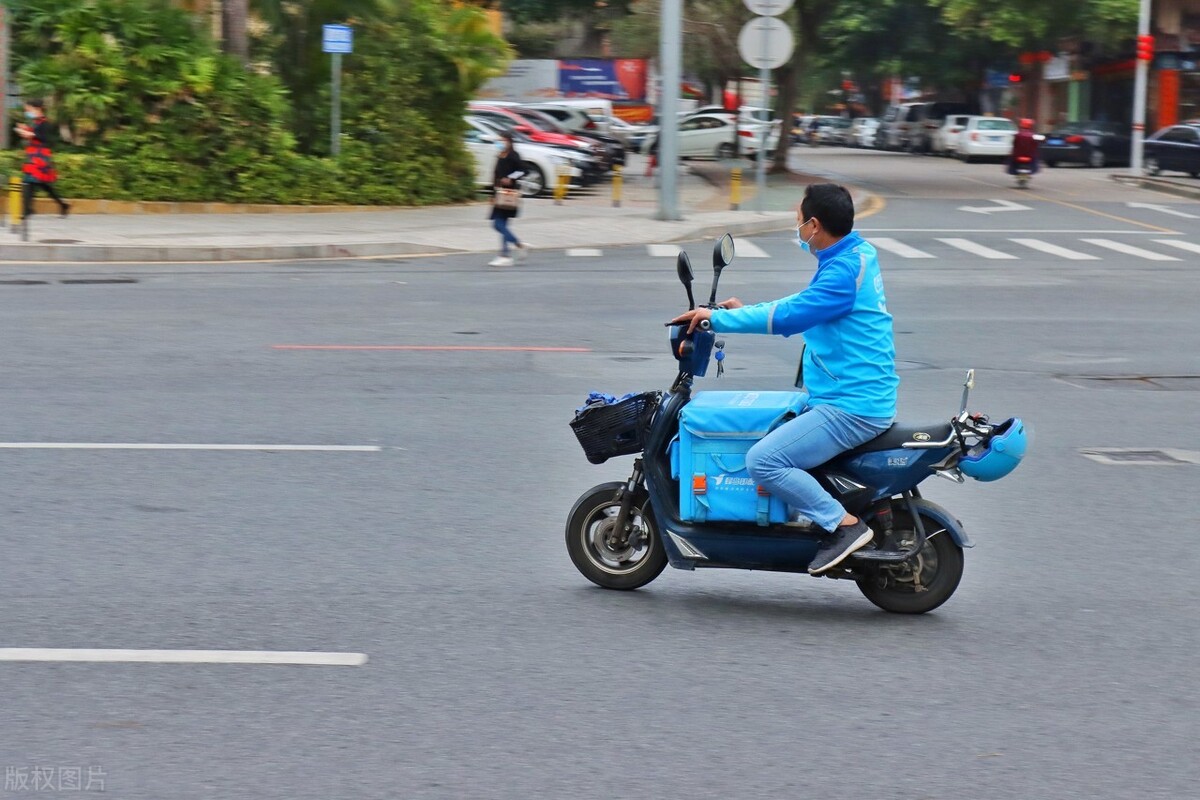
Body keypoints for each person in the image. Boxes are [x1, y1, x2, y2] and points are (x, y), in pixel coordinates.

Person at [669, 183, 899, 575]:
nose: (798, 229)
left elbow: (791, 316)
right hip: (850, 394)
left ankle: (842, 525)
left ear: (814, 225)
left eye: (799, 221)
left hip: (850, 406)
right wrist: (743, 310)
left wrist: (718, 319)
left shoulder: (842, 271)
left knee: (763, 460)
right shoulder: (855, 254)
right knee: (771, 422)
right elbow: (802, 305)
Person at [14, 99, 69, 219]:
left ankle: (27, 210)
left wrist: (30, 134)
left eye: (29, 109)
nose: (28, 112)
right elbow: (33, 136)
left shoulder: (45, 123)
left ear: (37, 109)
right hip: (33, 154)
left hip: (40, 156)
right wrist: (25, 131)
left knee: (30, 181)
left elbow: (44, 138)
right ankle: (62, 204)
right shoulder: (35, 122)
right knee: (42, 184)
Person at [488, 131, 528, 267]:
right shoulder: (500, 155)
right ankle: (515, 247)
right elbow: (495, 176)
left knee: (499, 224)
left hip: (509, 195)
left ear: (509, 142)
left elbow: (524, 170)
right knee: (499, 224)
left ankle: (507, 254)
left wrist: (511, 178)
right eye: (498, 140)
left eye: (502, 140)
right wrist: (492, 194)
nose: (500, 143)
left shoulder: (513, 155)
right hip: (499, 194)